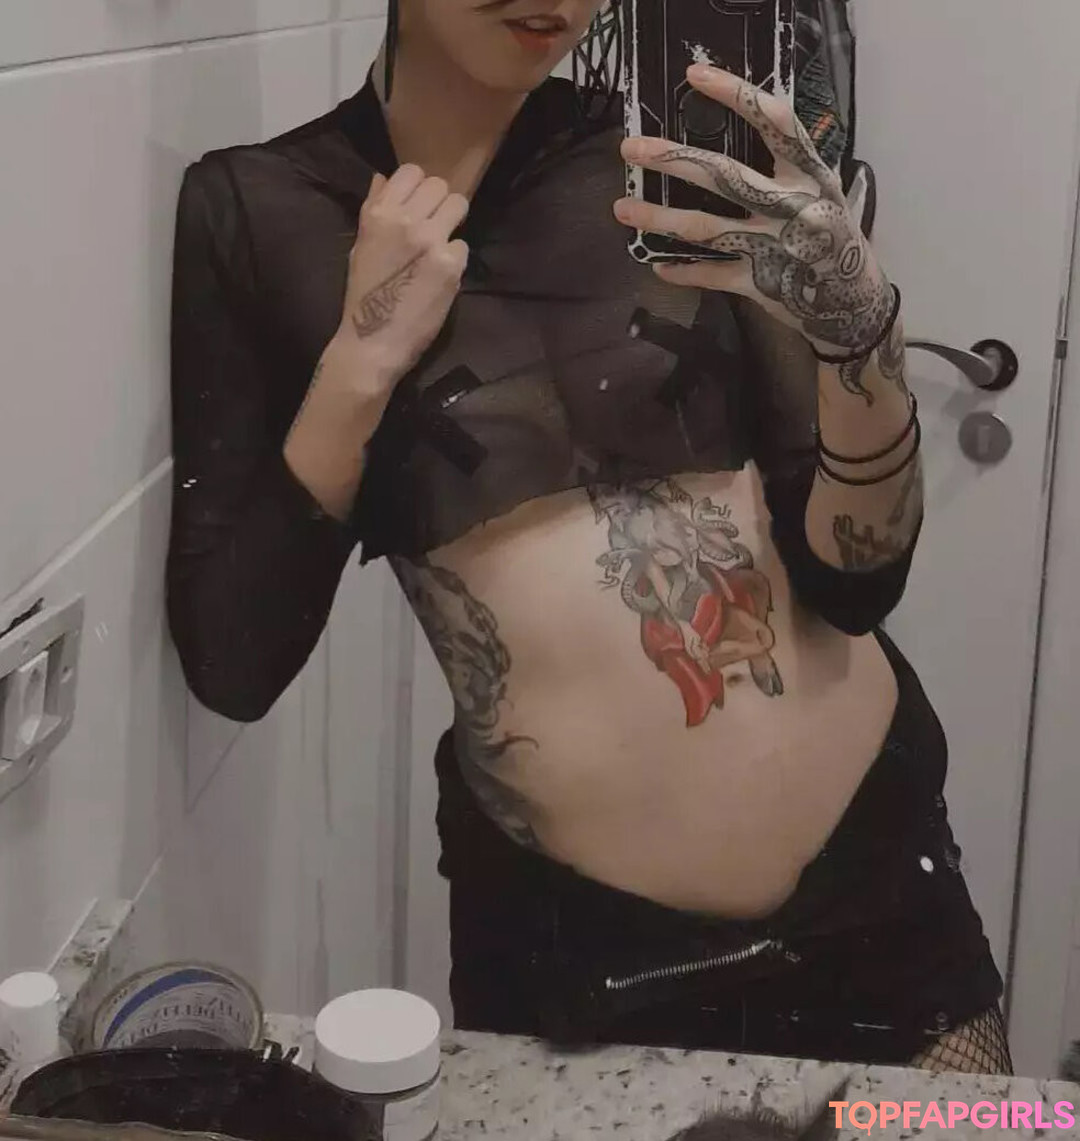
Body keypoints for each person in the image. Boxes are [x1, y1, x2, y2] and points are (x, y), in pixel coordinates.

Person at [166, 0, 1010, 1073]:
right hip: (582, 965)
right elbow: (234, 664)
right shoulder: (259, 208)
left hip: (887, 901)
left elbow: (857, 585)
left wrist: (861, 338)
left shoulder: (672, 164)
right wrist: (361, 359)